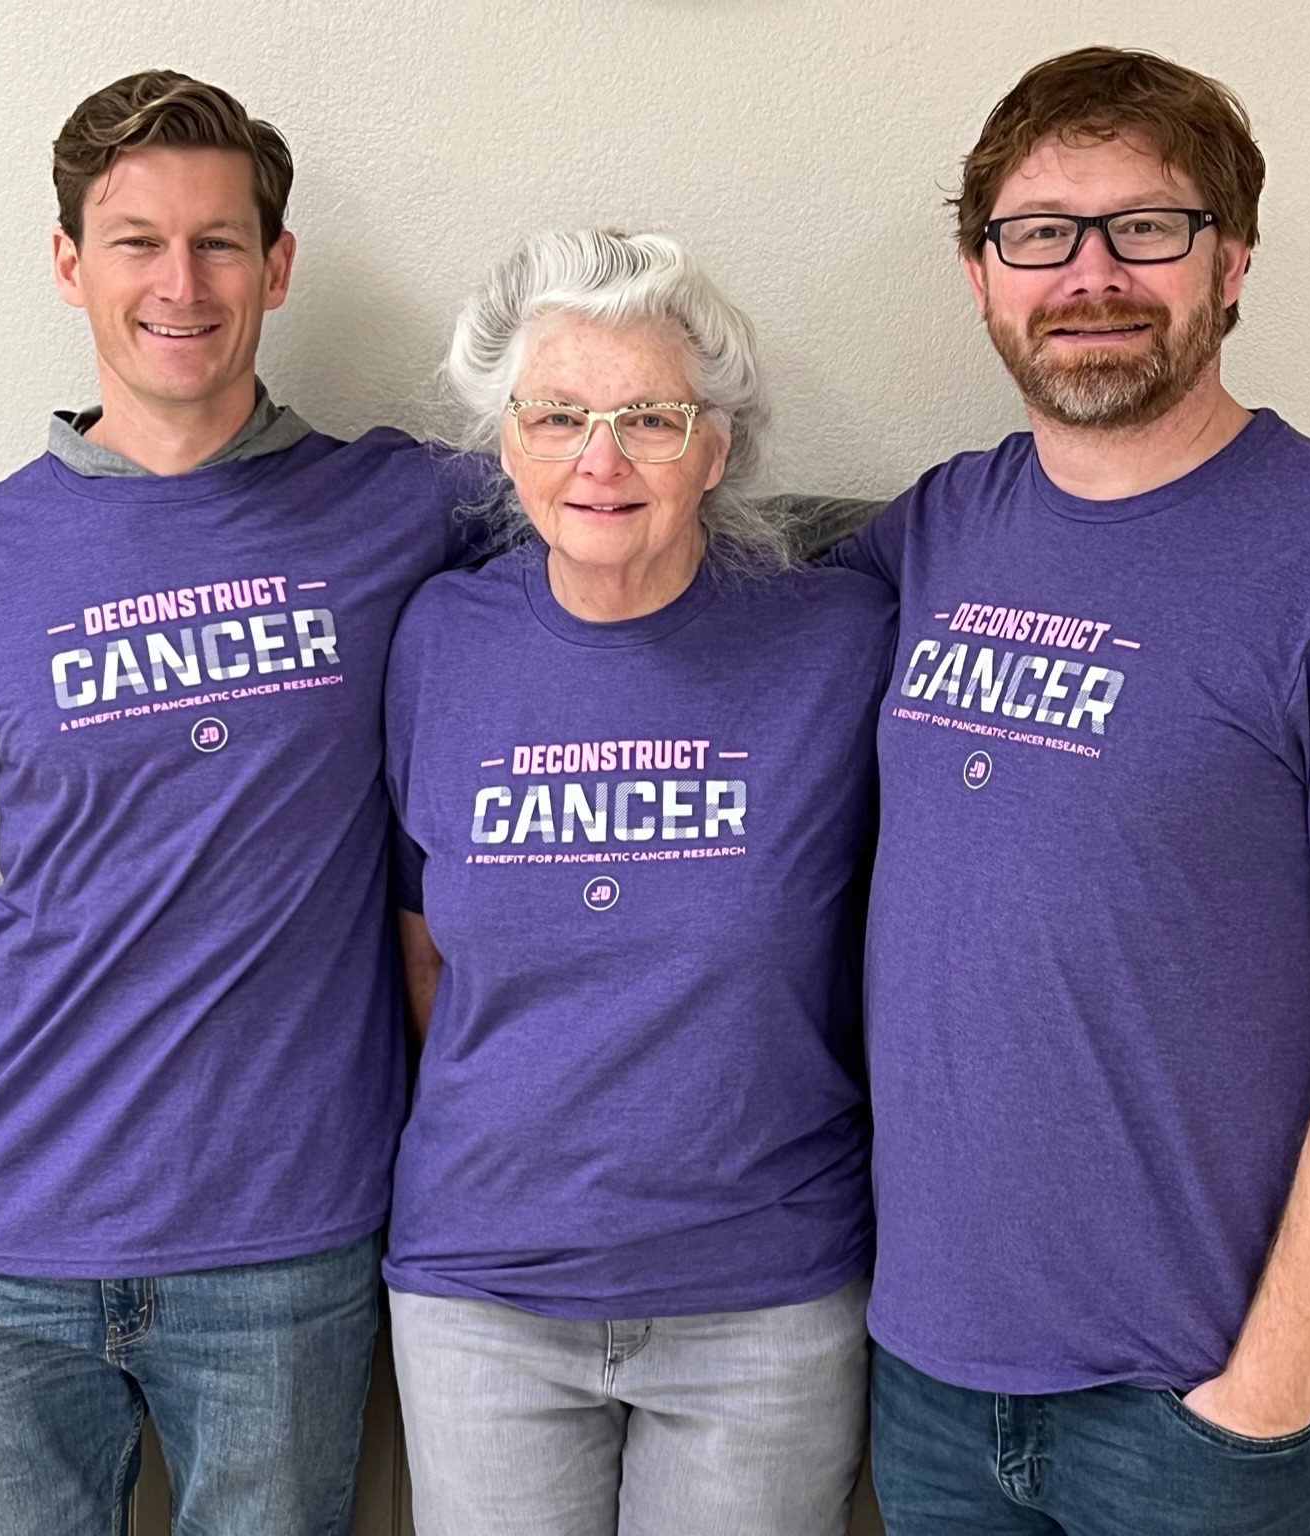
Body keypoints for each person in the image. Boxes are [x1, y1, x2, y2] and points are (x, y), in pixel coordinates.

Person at [831, 46, 1310, 1533]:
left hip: (1200, 1414)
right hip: (933, 1382)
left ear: (1232, 260)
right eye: (1040, 233)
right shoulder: (940, 527)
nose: (1090, 275)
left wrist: (1263, 1396)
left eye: (1144, 227)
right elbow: (709, 628)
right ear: (979, 273)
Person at [0, 70, 481, 1533]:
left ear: (276, 267)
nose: (181, 283)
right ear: (69, 264)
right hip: (2, 1254)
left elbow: (626, 485)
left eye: (219, 242)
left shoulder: (401, 510)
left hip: (284, 1250)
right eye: (136, 242)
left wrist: (899, 557)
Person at [381, 229, 893, 1536]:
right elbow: (424, 946)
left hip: (763, 1299)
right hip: (482, 1295)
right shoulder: (439, 640)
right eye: (556, 416)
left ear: (715, 448)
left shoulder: (837, 644)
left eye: (649, 420)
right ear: (506, 445)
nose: (598, 461)